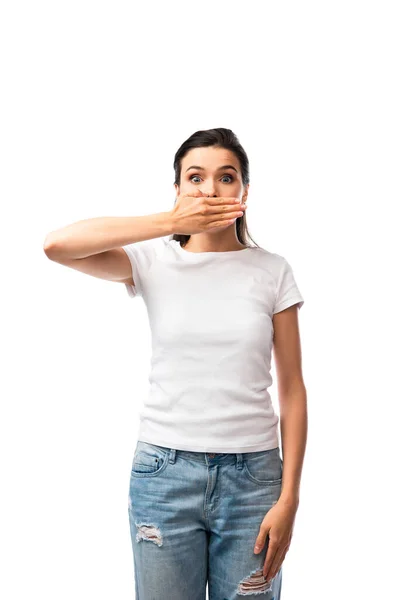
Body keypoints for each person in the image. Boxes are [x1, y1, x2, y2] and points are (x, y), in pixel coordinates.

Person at [43, 127, 307, 599]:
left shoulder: (272, 270)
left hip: (254, 480)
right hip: (164, 474)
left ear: (244, 192)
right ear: (178, 190)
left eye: (226, 178)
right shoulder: (152, 261)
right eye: (195, 178)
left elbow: (292, 389)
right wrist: (170, 221)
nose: (210, 190)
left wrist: (289, 497)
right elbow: (57, 246)